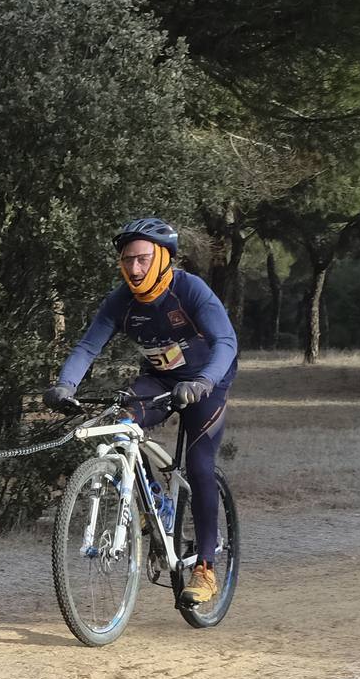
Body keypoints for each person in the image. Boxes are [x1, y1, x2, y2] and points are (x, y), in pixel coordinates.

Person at [43, 217, 238, 604]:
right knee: (122, 426)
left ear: (164, 258)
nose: (135, 268)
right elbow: (87, 347)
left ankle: (205, 569)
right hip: (160, 379)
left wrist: (203, 382)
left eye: (144, 259)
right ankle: (153, 505)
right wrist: (66, 385)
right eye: (128, 260)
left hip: (206, 381)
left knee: (199, 465)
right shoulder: (120, 301)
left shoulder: (189, 290)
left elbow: (226, 341)